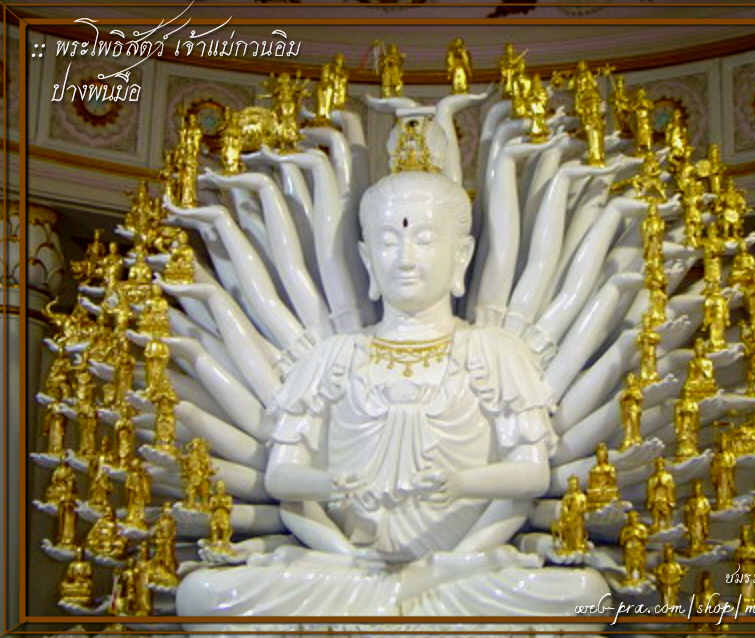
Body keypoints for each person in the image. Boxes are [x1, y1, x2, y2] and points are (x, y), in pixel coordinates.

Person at [176, 169, 609, 617]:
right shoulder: (333, 356)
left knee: (586, 596)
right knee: (204, 594)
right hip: (346, 571)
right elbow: (282, 479)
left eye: (424, 239)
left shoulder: (495, 351)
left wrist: (461, 492)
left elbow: (530, 475)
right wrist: (333, 496)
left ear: (461, 255)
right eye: (388, 242)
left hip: (461, 572)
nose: (405, 258)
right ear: (367, 260)